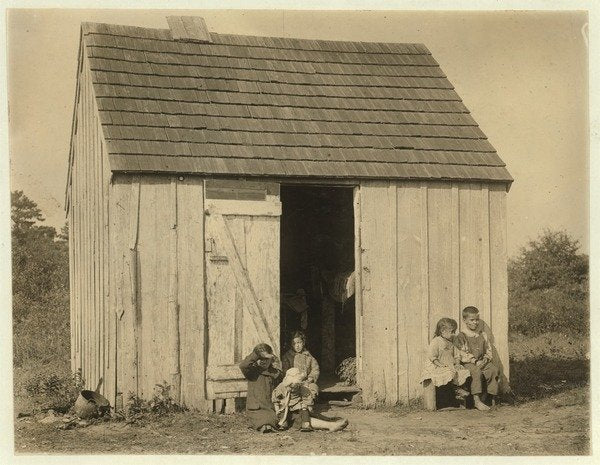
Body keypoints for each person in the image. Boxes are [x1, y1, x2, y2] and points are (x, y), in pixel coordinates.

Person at [272, 367, 348, 432]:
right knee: (292, 416)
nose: (293, 388)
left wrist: (308, 408)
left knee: (305, 412)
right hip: (286, 408)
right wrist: (277, 410)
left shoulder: (301, 388)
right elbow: (276, 398)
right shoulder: (281, 387)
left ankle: (308, 424)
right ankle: (330, 425)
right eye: (291, 386)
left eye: (296, 385)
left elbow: (306, 397)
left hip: (297, 406)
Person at [454, 306, 500, 411]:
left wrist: (486, 359)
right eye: (472, 320)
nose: (475, 322)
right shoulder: (462, 336)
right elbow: (462, 353)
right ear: (465, 320)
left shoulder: (482, 334)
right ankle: (476, 400)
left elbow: (488, 349)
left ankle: (490, 397)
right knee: (476, 371)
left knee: (493, 370)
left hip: (481, 361)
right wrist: (475, 361)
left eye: (477, 320)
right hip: (469, 363)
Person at [421, 317, 471, 402]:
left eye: (454, 332)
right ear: (443, 331)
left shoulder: (452, 341)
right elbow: (432, 357)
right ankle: (457, 390)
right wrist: (441, 365)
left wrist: (458, 364)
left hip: (450, 365)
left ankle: (460, 394)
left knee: (463, 372)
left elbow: (457, 355)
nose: (453, 334)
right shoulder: (436, 341)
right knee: (449, 372)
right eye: (452, 332)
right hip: (437, 366)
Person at [239, 343, 282, 432]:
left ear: (271, 359)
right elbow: (243, 365)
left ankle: (267, 425)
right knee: (262, 419)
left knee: (275, 417)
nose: (263, 361)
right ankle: (266, 426)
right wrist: (256, 354)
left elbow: (280, 387)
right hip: (256, 408)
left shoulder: (274, 373)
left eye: (266, 359)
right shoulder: (252, 371)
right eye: (260, 358)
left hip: (269, 407)